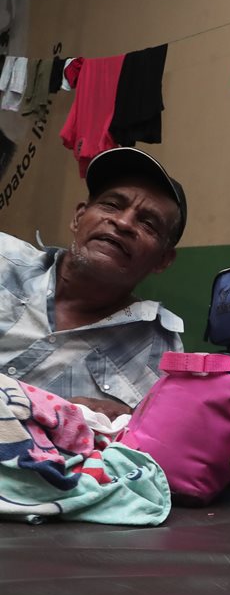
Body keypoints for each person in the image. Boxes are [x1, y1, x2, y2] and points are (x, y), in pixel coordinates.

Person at [0, 146, 186, 419]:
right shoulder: (4, 259)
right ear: (78, 218)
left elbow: (150, 437)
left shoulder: (158, 352)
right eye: (112, 205)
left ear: (162, 260)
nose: (123, 222)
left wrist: (126, 426)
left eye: (148, 224)